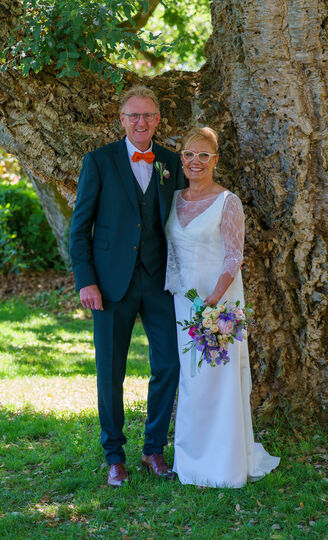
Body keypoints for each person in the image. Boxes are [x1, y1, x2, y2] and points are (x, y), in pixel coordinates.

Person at [69, 85, 185, 487]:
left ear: (157, 120)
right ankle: (114, 455)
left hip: (159, 282)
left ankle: (154, 449)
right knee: (110, 371)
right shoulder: (98, 162)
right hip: (110, 284)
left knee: (169, 364)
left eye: (148, 115)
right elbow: (79, 228)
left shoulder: (171, 162)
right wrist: (87, 281)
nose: (141, 122)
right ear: (122, 120)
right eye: (133, 115)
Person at [165, 126, 280, 487]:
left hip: (219, 300)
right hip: (184, 301)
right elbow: (170, 251)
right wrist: (179, 293)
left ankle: (223, 465)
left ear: (215, 160)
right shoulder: (173, 198)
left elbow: (234, 256)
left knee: (218, 377)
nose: (195, 162)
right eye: (189, 155)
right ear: (180, 159)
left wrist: (212, 301)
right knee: (191, 379)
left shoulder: (228, 201)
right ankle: (190, 462)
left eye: (204, 155)